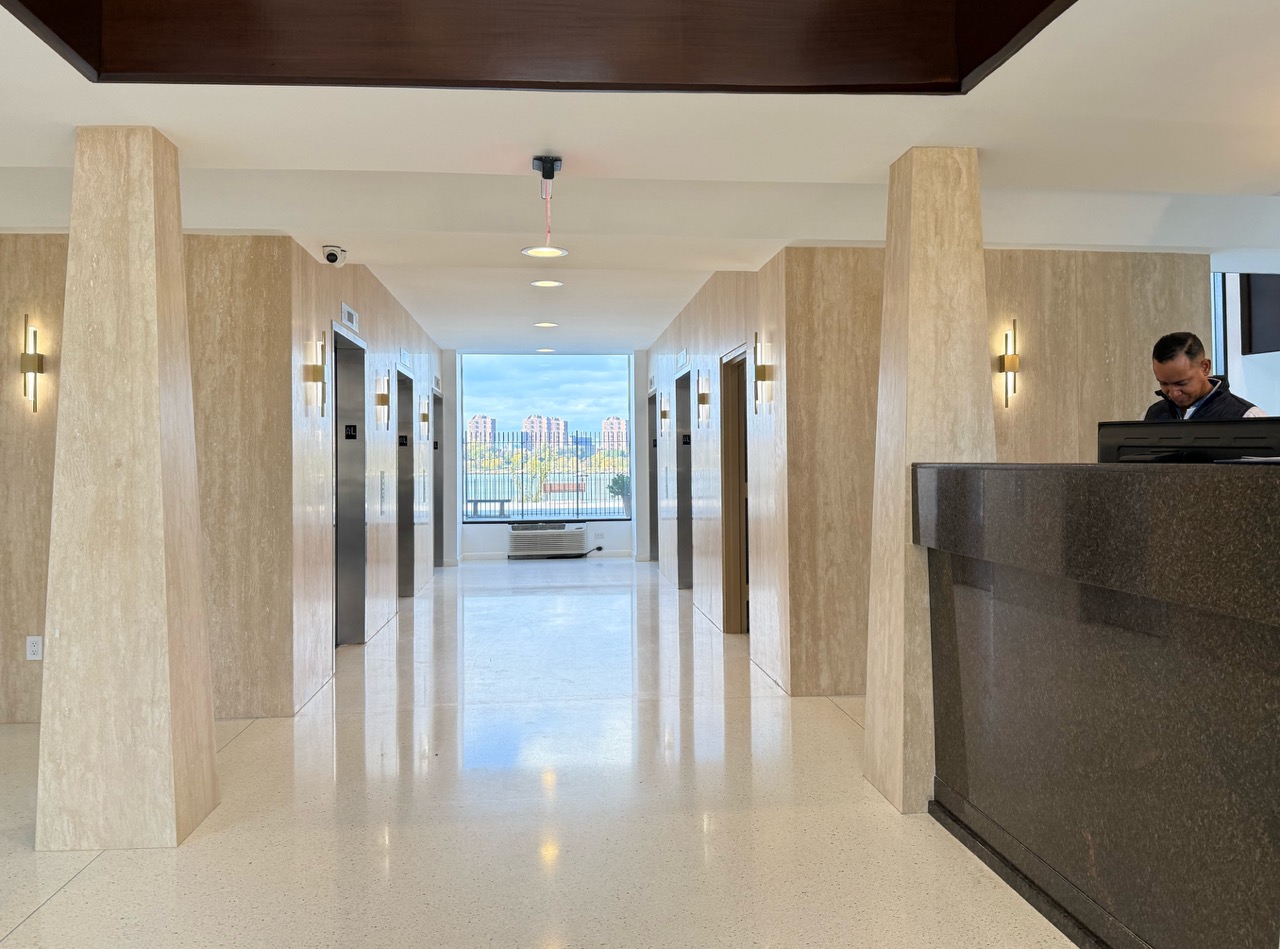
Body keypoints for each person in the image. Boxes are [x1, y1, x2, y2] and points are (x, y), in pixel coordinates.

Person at [1144, 332, 1266, 420]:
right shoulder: (1152, 414)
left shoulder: (1248, 417)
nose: (1173, 393)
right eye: (1164, 383)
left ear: (1205, 367)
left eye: (1181, 383)